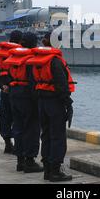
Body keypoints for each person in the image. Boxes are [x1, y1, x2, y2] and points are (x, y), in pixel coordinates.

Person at [27, 32, 75, 182]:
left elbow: (32, 82)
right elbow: (61, 84)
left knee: (46, 135)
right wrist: (68, 103)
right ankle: (56, 170)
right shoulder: (55, 61)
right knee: (58, 136)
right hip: (55, 102)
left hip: (42, 102)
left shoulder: (38, 60)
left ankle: (47, 169)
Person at [4, 32, 43, 173]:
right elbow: (33, 82)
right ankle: (30, 161)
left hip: (14, 95)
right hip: (27, 96)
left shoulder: (13, 58)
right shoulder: (31, 60)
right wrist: (37, 100)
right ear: (33, 43)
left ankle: (20, 161)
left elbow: (7, 77)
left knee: (18, 128)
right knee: (32, 129)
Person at [0, 30, 22, 154]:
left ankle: (7, 143)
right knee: (18, 118)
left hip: (4, 91)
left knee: (5, 118)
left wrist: (2, 85)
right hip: (18, 93)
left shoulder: (0, 56)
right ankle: (17, 145)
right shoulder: (21, 54)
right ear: (20, 41)